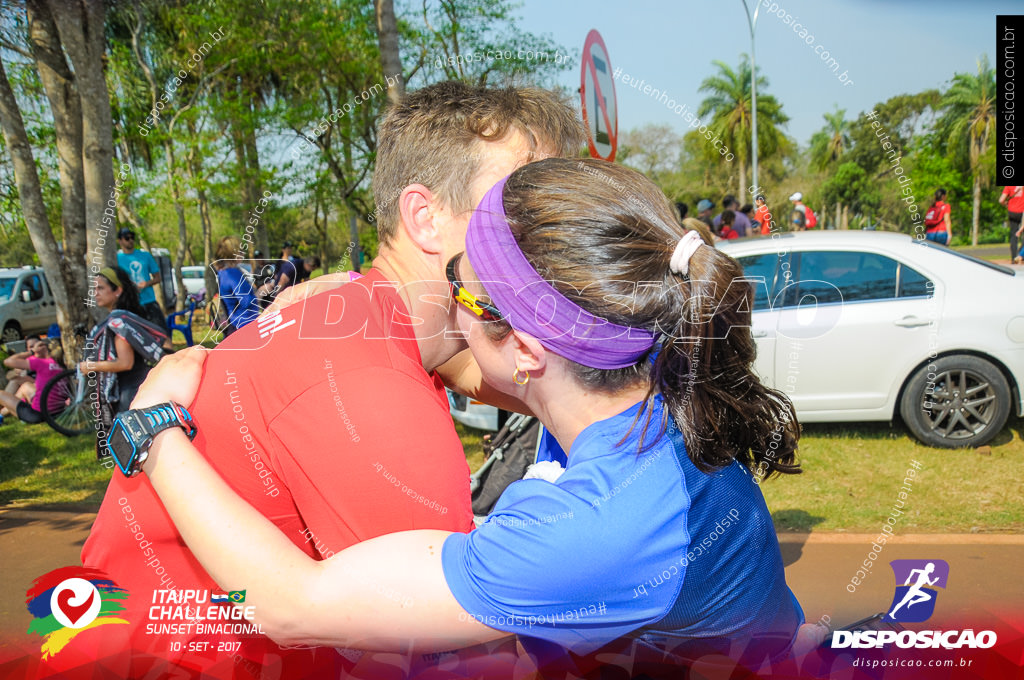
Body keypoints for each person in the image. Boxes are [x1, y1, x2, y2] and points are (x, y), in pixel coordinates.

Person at [118, 158, 805, 674]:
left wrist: (157, 430)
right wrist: (354, 300)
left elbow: (286, 604)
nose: (448, 296)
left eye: (464, 289)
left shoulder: (591, 534)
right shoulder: (652, 369)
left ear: (529, 351)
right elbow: (474, 364)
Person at [80, 81, 583, 678]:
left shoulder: (370, 317)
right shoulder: (372, 388)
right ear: (425, 218)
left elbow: (516, 378)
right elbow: (451, 658)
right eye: (519, 204)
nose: (553, 231)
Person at [79, 267, 168, 416]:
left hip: (130, 390)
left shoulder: (118, 323)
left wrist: (91, 366)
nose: (95, 293)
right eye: (94, 288)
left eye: (100, 288)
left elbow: (125, 363)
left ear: (117, 291)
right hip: (133, 386)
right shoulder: (125, 317)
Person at [0, 335, 63, 425]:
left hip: (39, 404)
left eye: (36, 346)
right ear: (27, 349)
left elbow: (7, 362)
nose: (35, 348)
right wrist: (16, 373)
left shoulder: (42, 362)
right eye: (31, 347)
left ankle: (2, 412)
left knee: (24, 385)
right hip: (42, 402)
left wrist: (25, 378)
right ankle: (2, 413)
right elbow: (9, 376)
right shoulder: (32, 362)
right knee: (17, 381)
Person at [116, 227, 167, 331]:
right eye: (127, 238)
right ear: (120, 241)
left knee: (161, 332)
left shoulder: (145, 255)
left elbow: (157, 278)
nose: (130, 240)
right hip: (130, 304)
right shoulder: (116, 258)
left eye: (132, 237)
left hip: (149, 301)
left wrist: (146, 284)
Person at [212, 236, 260, 337]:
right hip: (245, 326)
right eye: (240, 250)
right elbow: (246, 301)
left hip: (234, 325)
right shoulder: (233, 273)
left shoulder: (222, 273)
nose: (243, 253)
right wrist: (261, 292)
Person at [998, 185, 1023, 260]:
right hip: (1022, 212)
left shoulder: (1008, 186)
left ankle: (1013, 257)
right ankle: (1021, 255)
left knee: (1013, 234)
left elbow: (1001, 200)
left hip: (1012, 212)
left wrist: (1005, 204)